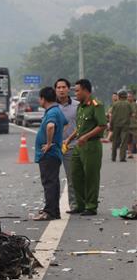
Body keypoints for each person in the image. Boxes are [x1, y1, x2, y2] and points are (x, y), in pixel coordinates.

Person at [63, 79, 107, 216]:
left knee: (91, 177)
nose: (75, 93)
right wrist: (70, 138)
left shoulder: (96, 105)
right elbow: (80, 127)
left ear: (86, 90)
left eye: (77, 90)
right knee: (75, 174)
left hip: (91, 145)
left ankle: (91, 206)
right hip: (78, 145)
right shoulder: (80, 107)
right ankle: (80, 205)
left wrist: (86, 137)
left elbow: (102, 125)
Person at [33, 87, 67, 221]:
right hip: (54, 152)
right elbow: (64, 123)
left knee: (49, 183)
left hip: (49, 154)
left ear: (43, 98)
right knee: (53, 182)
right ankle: (54, 211)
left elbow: (50, 126)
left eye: (39, 98)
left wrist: (48, 143)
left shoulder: (52, 112)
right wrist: (57, 139)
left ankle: (50, 212)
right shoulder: (57, 110)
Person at [54, 78, 78, 210]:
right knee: (52, 179)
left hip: (71, 145)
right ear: (55, 90)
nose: (61, 90)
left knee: (72, 177)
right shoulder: (52, 106)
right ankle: (53, 206)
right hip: (54, 147)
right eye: (59, 87)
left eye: (64, 87)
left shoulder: (77, 105)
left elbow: (80, 126)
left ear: (69, 89)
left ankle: (74, 204)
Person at [109, 90, 132, 162]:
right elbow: (131, 114)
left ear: (119, 96)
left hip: (116, 125)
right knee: (124, 141)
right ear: (125, 96)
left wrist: (111, 125)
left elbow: (112, 116)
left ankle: (113, 157)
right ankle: (122, 157)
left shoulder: (115, 104)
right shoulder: (128, 104)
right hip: (125, 125)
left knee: (115, 141)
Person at [128, 91, 137, 159]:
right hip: (127, 125)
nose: (129, 98)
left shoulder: (135, 104)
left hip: (135, 125)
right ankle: (130, 153)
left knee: (135, 139)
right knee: (129, 140)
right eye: (128, 96)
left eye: (130, 96)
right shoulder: (125, 104)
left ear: (133, 97)